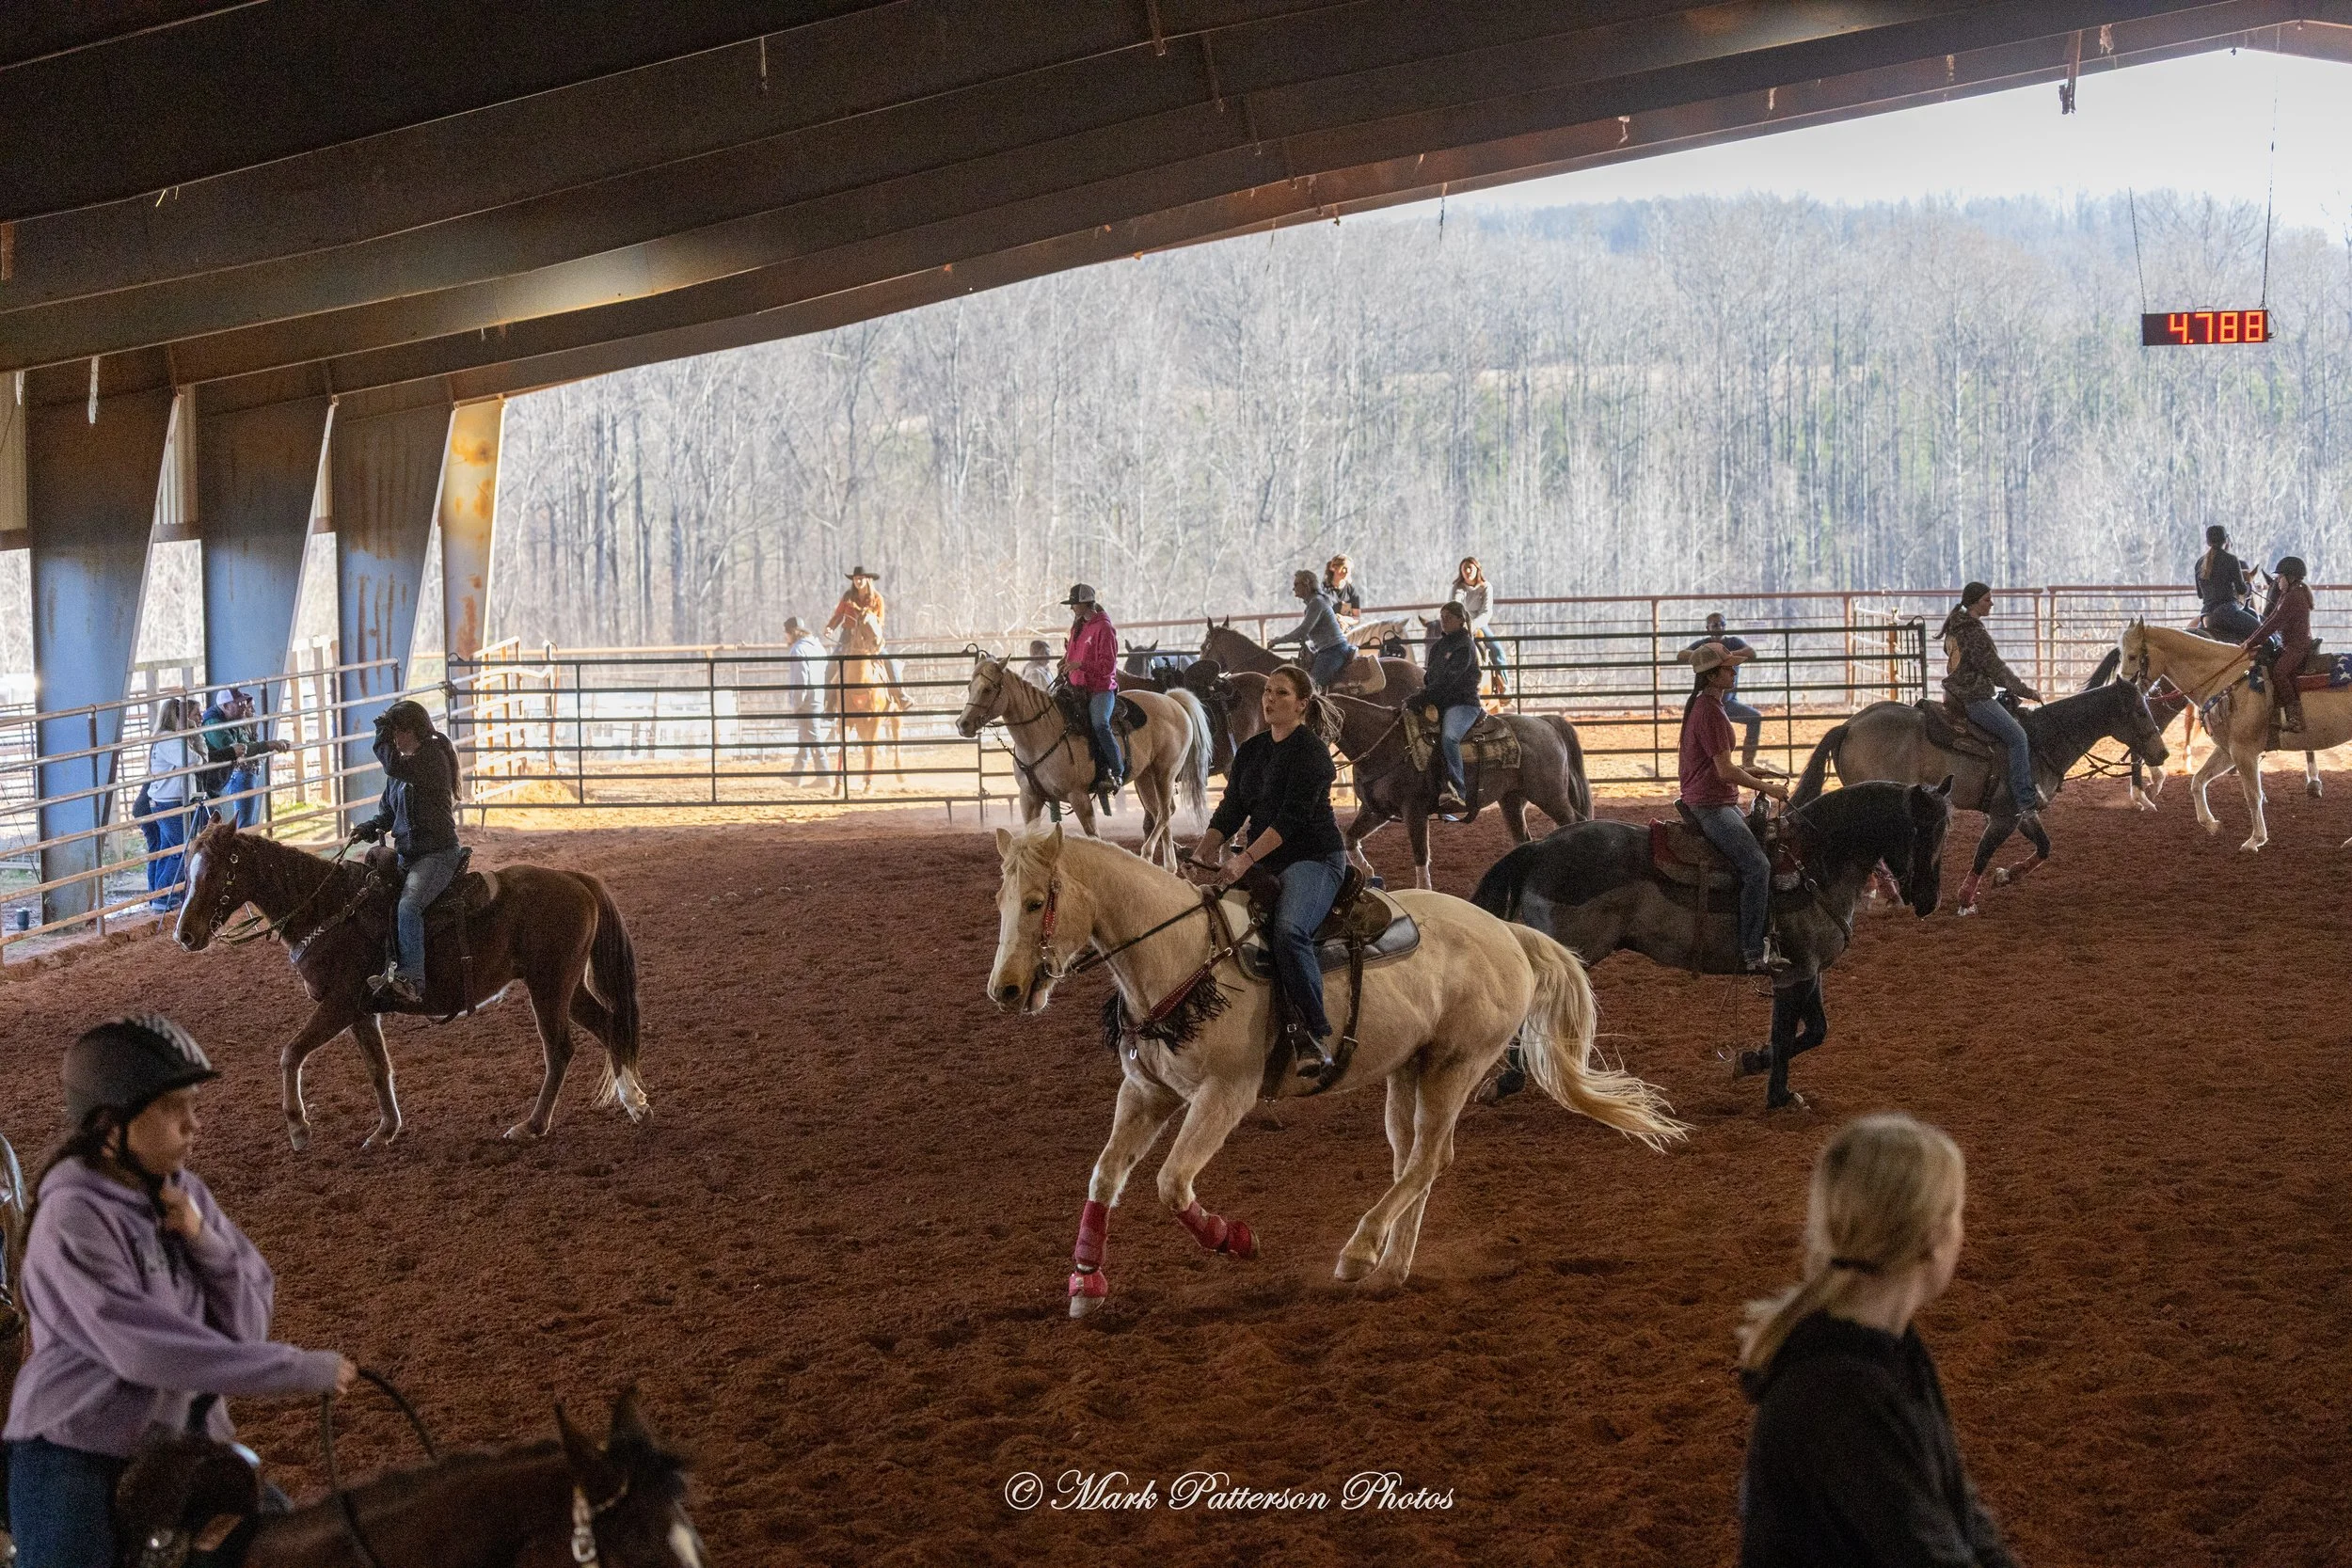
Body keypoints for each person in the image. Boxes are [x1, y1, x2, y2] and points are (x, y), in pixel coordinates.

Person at [3, 1016, 355, 1568]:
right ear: (109, 1125)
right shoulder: (72, 1217)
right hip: (75, 1453)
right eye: (172, 1108)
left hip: (181, 1445)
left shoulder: (181, 1192)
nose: (194, 1124)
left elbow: (246, 1324)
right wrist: (293, 1369)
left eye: (193, 1105)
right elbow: (144, 1350)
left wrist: (205, 1241)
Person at [1735, 1113, 2014, 1568]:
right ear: (1931, 1240)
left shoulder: (1885, 1350)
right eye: (1958, 1213)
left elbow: (1960, 1514)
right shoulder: (1843, 1395)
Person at [1187, 667, 1348, 1078]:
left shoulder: (1312, 753)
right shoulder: (1253, 750)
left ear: (1301, 704)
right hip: (1265, 858)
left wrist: (1243, 859)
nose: (1269, 699)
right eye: (1265, 691)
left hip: (1313, 858)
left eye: (1280, 693)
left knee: (1290, 932)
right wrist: (1204, 849)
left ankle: (1314, 1034)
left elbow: (1291, 819)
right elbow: (1232, 806)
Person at [1679, 642, 1789, 974]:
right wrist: (1767, 787)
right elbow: (1725, 771)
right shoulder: (1711, 711)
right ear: (1712, 675)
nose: (1734, 671)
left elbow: (1719, 766)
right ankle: (1753, 951)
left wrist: (1751, 773)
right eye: (1728, 668)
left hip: (1710, 797)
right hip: (1711, 803)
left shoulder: (1705, 707)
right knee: (1758, 867)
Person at [346, 700, 463, 1007]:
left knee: (409, 906)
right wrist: (369, 827)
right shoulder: (402, 771)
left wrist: (379, 735)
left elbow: (393, 764)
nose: (394, 740)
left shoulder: (430, 759)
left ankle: (412, 979)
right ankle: (389, 968)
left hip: (437, 854)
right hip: (410, 857)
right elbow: (388, 813)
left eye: (397, 732)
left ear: (412, 731)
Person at [1937, 584, 2044, 823]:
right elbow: (1996, 669)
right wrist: (2025, 690)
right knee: (2018, 737)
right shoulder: (1973, 632)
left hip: (1956, 693)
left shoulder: (1956, 626)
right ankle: (2025, 802)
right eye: (1987, 600)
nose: (1991, 603)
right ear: (1975, 602)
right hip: (1974, 697)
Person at [1423, 601, 1484, 816]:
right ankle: (1435, 788)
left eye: (1448, 617)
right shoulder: (1440, 646)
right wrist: (1425, 691)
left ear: (1461, 620)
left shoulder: (1465, 645)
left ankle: (1459, 789)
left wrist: (1425, 695)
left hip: (1463, 702)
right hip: (1443, 701)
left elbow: (1450, 679)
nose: (1444, 621)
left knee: (1449, 737)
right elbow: (1431, 675)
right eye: (1442, 617)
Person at [2242, 555, 2313, 735]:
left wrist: (2250, 643)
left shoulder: (2294, 596)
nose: (2278, 581)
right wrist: (2252, 641)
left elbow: (2274, 623)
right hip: (2291, 645)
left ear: (2290, 577)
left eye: (2280, 577)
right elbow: (2271, 620)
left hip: (2297, 646)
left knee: (2279, 673)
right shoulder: (2289, 594)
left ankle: (2294, 715)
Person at [1687, 612, 1768, 771]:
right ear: (1708, 628)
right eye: (1716, 625)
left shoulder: (1732, 642)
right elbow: (1682, 654)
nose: (1720, 628)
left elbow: (1751, 652)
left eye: (1722, 624)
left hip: (1729, 702)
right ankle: (1715, 765)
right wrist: (1709, 656)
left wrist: (1724, 656)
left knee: (1754, 718)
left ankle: (1748, 762)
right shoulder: (1704, 645)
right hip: (1718, 700)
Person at [196, 687, 284, 831]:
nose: (244, 708)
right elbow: (236, 749)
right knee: (209, 823)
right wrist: (265, 745)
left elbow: (243, 746)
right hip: (205, 782)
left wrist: (265, 745)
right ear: (225, 706)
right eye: (239, 704)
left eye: (244, 703)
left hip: (215, 779)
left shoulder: (232, 722)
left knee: (213, 820)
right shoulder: (213, 723)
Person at [1063, 584, 1123, 794]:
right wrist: (1066, 665)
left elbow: (1108, 667)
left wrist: (1081, 665)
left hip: (1101, 689)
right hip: (1076, 686)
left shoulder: (1104, 628)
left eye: (1074, 604)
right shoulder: (1078, 627)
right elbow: (1071, 655)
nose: (1072, 608)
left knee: (1100, 724)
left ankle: (1117, 770)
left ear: (1085, 604)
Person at [140, 699, 197, 913]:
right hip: (168, 801)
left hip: (166, 800)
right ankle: (164, 895)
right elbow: (192, 759)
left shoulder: (166, 739)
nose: (192, 721)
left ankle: (159, 895)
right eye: (187, 716)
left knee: (168, 849)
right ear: (176, 717)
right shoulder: (169, 740)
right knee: (182, 848)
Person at [1269, 570, 1353, 689]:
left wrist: (1277, 641)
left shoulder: (1316, 603)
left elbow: (1303, 631)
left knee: (1310, 688)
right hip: (1331, 650)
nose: (1294, 589)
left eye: (1296, 584)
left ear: (1306, 584)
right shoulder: (1317, 602)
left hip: (1333, 651)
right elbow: (1309, 633)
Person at [782, 616, 833, 779]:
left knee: (812, 737)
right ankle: (796, 775)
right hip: (818, 696)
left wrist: (796, 704)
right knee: (805, 737)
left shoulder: (798, 650)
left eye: (786, 633)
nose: (785, 637)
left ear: (791, 633)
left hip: (806, 700)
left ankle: (824, 776)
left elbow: (800, 680)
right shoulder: (817, 647)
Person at [2195, 525, 2260, 641]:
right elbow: (2241, 590)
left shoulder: (2199, 563)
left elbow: (2200, 595)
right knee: (2262, 632)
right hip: (2227, 613)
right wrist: (2249, 587)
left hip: (2205, 617)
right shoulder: (2231, 559)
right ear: (2225, 540)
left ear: (2208, 542)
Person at [1450, 556, 1507, 689]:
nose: (1467, 571)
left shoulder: (1486, 587)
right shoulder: (1458, 588)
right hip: (1460, 625)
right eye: (1464, 569)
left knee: (1497, 650)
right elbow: (1455, 605)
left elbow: (1486, 611)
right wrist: (1461, 623)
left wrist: (1474, 625)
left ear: (1477, 569)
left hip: (1480, 624)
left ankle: (1504, 685)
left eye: (1470, 568)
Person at [825, 565, 886, 649]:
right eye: (855, 579)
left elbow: (880, 621)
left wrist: (875, 634)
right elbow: (839, 615)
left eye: (860, 578)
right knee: (834, 659)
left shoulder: (877, 598)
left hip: (869, 637)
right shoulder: (848, 596)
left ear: (867, 579)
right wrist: (830, 627)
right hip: (849, 635)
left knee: (889, 661)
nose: (857, 581)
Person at [1322, 555, 1365, 631]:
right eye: (1344, 568)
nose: (1347, 572)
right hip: (1327, 632)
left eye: (1349, 569)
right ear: (1334, 568)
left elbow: (1357, 617)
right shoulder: (1323, 590)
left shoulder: (1351, 591)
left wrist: (1343, 619)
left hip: (1347, 632)